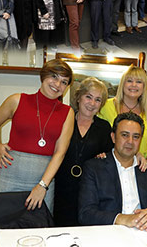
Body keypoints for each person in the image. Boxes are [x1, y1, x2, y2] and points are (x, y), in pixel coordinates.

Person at [0, 59, 75, 214]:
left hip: (43, 180)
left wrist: (42, 185)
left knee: (39, 228)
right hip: (9, 176)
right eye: (54, 76)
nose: (57, 84)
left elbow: (60, 153)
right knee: (3, 225)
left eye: (64, 82)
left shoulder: (67, 113)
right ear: (44, 76)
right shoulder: (17, 100)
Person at [78, 112, 147, 230]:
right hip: (109, 234)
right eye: (125, 135)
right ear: (113, 137)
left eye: (136, 136)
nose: (130, 141)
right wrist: (123, 218)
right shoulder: (94, 168)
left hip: (144, 234)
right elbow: (85, 214)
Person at [54, 77, 113, 226]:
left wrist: (104, 156)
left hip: (90, 192)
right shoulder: (63, 120)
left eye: (98, 100)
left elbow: (110, 157)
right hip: (61, 189)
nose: (92, 104)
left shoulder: (104, 127)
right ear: (79, 97)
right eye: (88, 97)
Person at [99, 65, 147, 169]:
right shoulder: (106, 106)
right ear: (122, 84)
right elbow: (98, 139)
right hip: (109, 167)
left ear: (144, 87)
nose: (134, 85)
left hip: (138, 168)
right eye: (129, 81)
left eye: (139, 82)